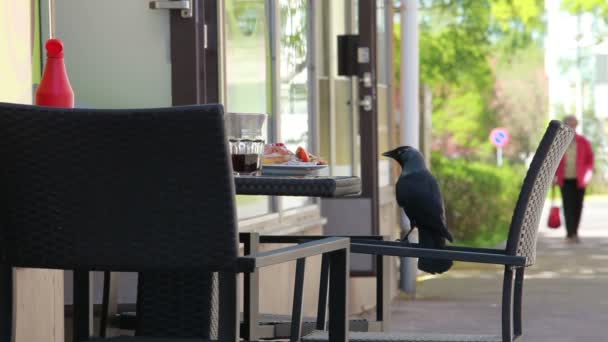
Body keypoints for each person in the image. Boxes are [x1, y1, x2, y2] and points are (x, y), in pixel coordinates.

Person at [555, 115, 594, 243]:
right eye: (568, 125)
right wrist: (553, 177)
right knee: (567, 206)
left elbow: (590, 160)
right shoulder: (558, 142)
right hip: (564, 179)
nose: (571, 127)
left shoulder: (583, 141)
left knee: (577, 206)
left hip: (579, 180)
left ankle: (575, 233)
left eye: (573, 125)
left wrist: (588, 175)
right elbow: (553, 161)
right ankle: (569, 234)